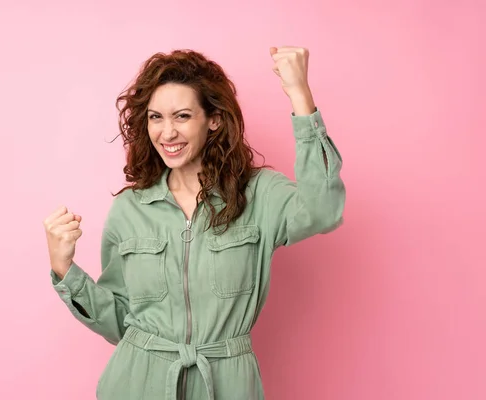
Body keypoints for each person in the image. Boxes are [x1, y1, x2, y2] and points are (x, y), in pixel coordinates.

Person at [43, 46, 345, 400]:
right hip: (138, 384)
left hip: (227, 385)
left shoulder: (259, 193)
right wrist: (64, 270)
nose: (167, 133)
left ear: (213, 119)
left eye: (182, 116)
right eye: (156, 117)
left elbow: (324, 209)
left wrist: (300, 95)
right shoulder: (129, 209)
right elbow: (119, 323)